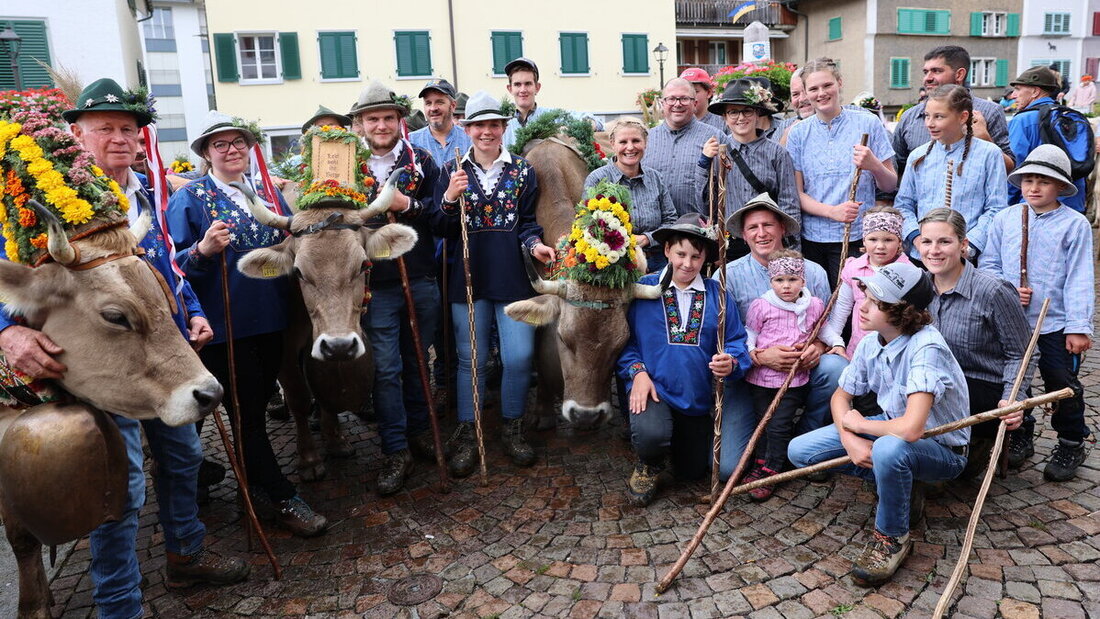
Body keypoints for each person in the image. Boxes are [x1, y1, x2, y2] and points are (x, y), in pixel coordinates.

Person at [0, 78, 245, 619]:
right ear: (76, 137)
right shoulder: (35, 206)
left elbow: (166, 267)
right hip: (105, 365)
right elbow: (9, 274)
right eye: (104, 128)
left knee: (184, 459)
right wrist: (5, 330)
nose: (119, 138)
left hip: (164, 357)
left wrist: (193, 310)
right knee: (120, 488)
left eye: (128, 129)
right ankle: (119, 605)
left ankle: (186, 554)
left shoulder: (150, 192)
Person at [168, 110, 328, 538]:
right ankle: (279, 496)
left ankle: (252, 485)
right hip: (224, 328)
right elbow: (171, 267)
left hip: (272, 322)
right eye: (220, 144)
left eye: (238, 141)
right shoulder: (191, 199)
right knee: (247, 417)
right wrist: (201, 250)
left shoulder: (269, 195)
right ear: (206, 153)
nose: (231, 150)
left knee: (253, 410)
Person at [788, 262, 971, 586]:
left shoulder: (926, 348)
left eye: (876, 303)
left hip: (942, 448)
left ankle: (892, 538)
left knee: (889, 449)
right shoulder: (872, 342)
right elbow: (840, 398)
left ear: (903, 314)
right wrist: (850, 440)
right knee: (800, 451)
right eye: (866, 298)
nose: (863, 307)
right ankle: (898, 482)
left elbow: (912, 428)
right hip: (890, 429)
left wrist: (861, 427)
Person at [432, 91, 556, 477]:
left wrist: (535, 246)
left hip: (512, 277)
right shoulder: (451, 169)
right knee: (471, 360)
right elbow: (440, 227)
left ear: (503, 128)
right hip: (467, 279)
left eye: (494, 125)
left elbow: (527, 224)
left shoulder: (523, 171)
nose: (486, 132)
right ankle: (469, 432)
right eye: (479, 125)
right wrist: (449, 197)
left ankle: (512, 426)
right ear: (467, 128)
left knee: (518, 357)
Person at [348, 80, 442, 494]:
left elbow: (441, 217)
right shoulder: (344, 165)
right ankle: (395, 447)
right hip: (374, 285)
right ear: (360, 124)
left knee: (419, 360)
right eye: (373, 119)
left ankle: (421, 430)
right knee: (386, 369)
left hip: (419, 278)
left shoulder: (422, 161)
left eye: (388, 117)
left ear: (400, 120)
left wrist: (409, 206)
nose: (381, 125)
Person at [979, 145, 1095, 481]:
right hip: (1013, 322)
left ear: (1060, 186)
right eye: (1028, 180)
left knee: (1061, 382)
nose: (1034, 187)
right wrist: (1007, 289)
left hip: (1054, 323)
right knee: (1016, 382)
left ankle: (1071, 441)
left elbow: (1079, 277)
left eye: (1043, 181)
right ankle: (1022, 433)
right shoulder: (1005, 219)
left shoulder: (1074, 225)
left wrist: (1077, 326)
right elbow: (989, 264)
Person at [618, 214, 749, 506]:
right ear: (667, 250)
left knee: (691, 471)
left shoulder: (719, 295)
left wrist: (731, 361)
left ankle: (676, 443)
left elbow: (736, 340)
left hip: (695, 397)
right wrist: (637, 372)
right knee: (651, 435)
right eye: (680, 254)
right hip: (652, 388)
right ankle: (649, 462)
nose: (687, 264)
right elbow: (624, 341)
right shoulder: (642, 289)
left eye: (696, 257)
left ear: (705, 260)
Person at [717, 194, 848, 480]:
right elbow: (719, 337)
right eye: (752, 227)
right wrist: (758, 356)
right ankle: (765, 441)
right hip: (749, 374)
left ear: (782, 228)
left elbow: (822, 324)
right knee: (728, 469)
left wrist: (818, 347)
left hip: (801, 370)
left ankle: (804, 439)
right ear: (744, 235)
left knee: (837, 368)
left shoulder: (813, 272)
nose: (761, 233)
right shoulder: (727, 275)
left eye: (768, 225)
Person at [918, 208, 1032, 478]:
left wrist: (1012, 399)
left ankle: (964, 449)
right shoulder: (918, 286)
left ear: (963, 245)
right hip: (931, 383)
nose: (934, 250)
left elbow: (1022, 352)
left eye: (944, 241)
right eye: (926, 241)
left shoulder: (993, 290)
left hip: (981, 387)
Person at [786, 57, 897, 286]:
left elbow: (890, 184)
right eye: (813, 89)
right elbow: (797, 193)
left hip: (856, 236)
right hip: (812, 239)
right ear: (805, 93)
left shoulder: (868, 123)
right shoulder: (798, 133)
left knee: (850, 300)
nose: (821, 93)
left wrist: (874, 165)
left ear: (839, 83)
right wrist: (832, 212)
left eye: (827, 85)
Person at [741, 249, 841, 501]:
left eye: (792, 279)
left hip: (793, 379)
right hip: (762, 378)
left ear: (803, 280)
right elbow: (750, 334)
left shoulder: (813, 305)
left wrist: (837, 343)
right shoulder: (761, 305)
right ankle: (761, 462)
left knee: (780, 423)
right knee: (763, 421)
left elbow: (823, 330)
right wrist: (752, 354)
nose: (786, 286)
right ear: (771, 281)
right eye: (779, 280)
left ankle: (773, 468)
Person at [895, 84, 1008, 262]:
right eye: (927, 116)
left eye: (939, 117)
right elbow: (903, 204)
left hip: (968, 258)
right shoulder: (918, 156)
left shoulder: (989, 154)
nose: (930, 123)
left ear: (963, 117)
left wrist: (969, 245)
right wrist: (918, 240)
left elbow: (996, 207)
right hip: (923, 257)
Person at [698, 79, 800, 253]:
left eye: (747, 111)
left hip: (768, 239)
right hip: (731, 241)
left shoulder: (777, 153)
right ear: (725, 118)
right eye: (733, 112)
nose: (741, 118)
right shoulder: (717, 153)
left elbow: (789, 203)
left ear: (757, 114)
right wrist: (704, 162)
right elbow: (704, 202)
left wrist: (791, 249)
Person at [892, 46, 1014, 178]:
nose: (927, 78)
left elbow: (1008, 169)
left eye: (936, 71)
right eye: (925, 72)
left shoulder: (989, 112)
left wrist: (985, 139)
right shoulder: (910, 117)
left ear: (959, 75)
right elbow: (897, 169)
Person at [583, 117, 677, 272]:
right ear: (612, 144)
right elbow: (588, 225)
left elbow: (671, 220)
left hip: (657, 261)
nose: (630, 147)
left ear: (645, 143)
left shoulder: (655, 178)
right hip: (616, 265)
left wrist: (648, 238)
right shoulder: (598, 179)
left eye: (636, 141)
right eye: (623, 142)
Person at [825, 206, 912, 359]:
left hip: (895, 350)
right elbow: (843, 307)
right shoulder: (854, 268)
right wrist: (833, 340)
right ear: (864, 240)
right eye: (873, 239)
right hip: (859, 349)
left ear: (899, 242)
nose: (880, 246)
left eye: (888, 240)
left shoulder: (908, 272)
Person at [1008, 66, 1089, 213]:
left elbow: (1015, 166)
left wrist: (1009, 206)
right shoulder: (1071, 116)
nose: (1013, 95)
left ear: (1035, 91)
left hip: (1035, 207)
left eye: (1018, 89)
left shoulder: (1022, 120)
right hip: (1074, 204)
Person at [642, 78, 724, 216]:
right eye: (671, 99)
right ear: (662, 103)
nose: (677, 104)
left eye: (684, 99)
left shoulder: (715, 138)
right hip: (654, 227)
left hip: (699, 226)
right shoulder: (646, 139)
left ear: (695, 104)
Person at [409, 78, 471, 168]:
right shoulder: (410, 141)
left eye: (439, 102)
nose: (433, 108)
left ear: (453, 106)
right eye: (428, 103)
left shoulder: (470, 139)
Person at [680, 67, 727, 134]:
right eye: (684, 92)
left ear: (709, 93)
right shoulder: (675, 123)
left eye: (695, 92)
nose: (688, 96)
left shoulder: (723, 123)